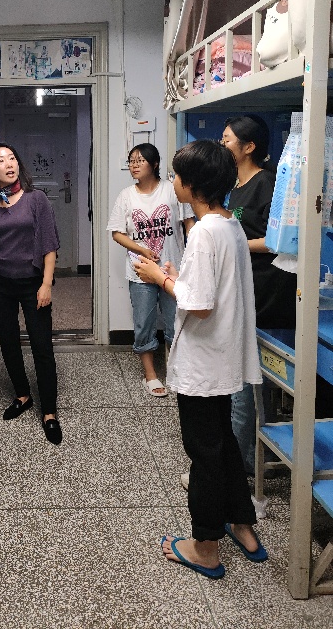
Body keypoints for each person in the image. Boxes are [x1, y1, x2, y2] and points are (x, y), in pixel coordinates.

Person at [135, 140, 267, 579]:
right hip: (223, 360)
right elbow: (210, 286)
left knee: (204, 454)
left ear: (191, 184)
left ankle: (205, 547)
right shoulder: (228, 225)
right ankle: (242, 525)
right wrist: (180, 276)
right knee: (223, 443)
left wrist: (158, 277)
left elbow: (201, 304)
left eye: (176, 175)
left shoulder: (204, 233)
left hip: (204, 365)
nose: (173, 181)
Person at [0, 143, 62, 445]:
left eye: (12, 158)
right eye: (0, 160)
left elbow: (49, 244)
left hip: (33, 283)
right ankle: (23, 395)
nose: (9, 164)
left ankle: (49, 411)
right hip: (0, 285)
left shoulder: (36, 199)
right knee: (8, 343)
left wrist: (46, 284)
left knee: (41, 346)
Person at [222, 115, 296, 474]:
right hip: (242, 289)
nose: (222, 145)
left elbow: (275, 240)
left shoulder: (266, 183)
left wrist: (232, 243)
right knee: (246, 385)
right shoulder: (235, 185)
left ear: (249, 147)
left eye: (227, 140)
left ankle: (242, 466)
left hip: (265, 294)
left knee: (250, 383)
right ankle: (249, 457)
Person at [107, 143, 195, 396]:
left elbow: (189, 223)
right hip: (140, 271)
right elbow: (117, 233)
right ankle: (150, 375)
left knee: (176, 323)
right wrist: (142, 250)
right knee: (143, 323)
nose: (134, 165)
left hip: (172, 270)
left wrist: (192, 255)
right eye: (131, 161)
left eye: (140, 160)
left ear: (154, 164)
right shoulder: (126, 196)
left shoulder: (172, 190)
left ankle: (178, 372)